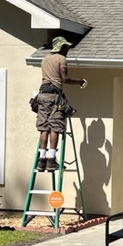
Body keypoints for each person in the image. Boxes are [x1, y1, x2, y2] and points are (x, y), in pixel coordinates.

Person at [35, 36, 86, 172]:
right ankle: (51, 160)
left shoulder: (45, 59)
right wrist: (80, 81)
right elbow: (64, 78)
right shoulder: (61, 59)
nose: (67, 49)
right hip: (54, 96)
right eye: (66, 47)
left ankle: (41, 161)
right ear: (61, 47)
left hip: (42, 95)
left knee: (44, 127)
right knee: (55, 127)